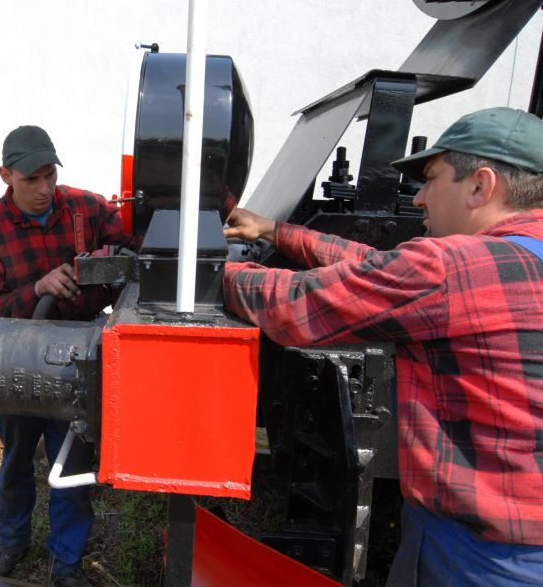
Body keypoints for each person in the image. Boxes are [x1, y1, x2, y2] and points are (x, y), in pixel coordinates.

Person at [222, 107, 543, 586]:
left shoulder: (452, 268)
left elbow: (295, 307)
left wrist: (210, 272)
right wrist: (276, 232)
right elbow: (383, 270)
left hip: (480, 554)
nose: (418, 200)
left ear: (480, 186)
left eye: (431, 180)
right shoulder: (508, 260)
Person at [0, 126, 133, 587]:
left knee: (74, 464)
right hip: (14, 361)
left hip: (78, 359)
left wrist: (107, 265)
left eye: (50, 176)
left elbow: (133, 258)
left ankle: (67, 564)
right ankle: (11, 543)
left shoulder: (88, 207)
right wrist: (37, 289)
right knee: (16, 461)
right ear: (6, 175)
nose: (44, 189)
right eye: (31, 180)